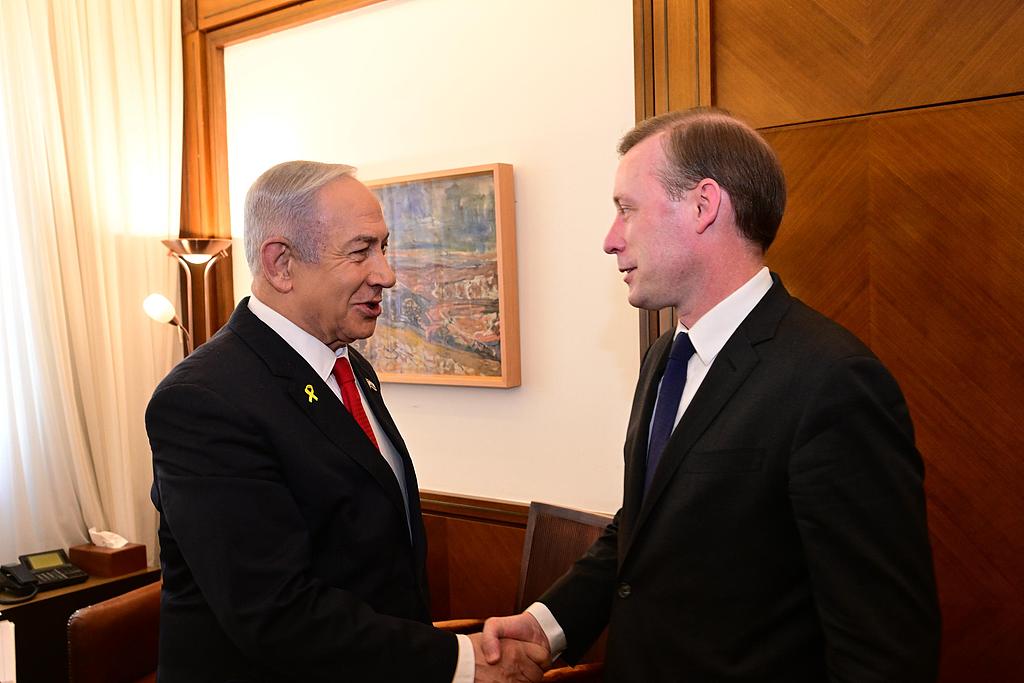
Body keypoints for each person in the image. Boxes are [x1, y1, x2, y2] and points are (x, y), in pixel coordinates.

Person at [482, 109, 941, 681]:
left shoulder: (832, 380)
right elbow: (645, 528)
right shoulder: (665, 358)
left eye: (627, 208)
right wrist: (550, 625)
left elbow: (884, 645)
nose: (610, 239)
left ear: (703, 206)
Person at [146, 161, 546, 683]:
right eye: (361, 251)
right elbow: (274, 613)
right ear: (281, 264)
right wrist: (460, 662)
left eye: (384, 246)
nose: (387, 274)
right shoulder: (203, 400)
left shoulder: (349, 364)